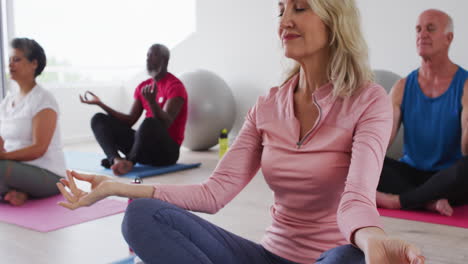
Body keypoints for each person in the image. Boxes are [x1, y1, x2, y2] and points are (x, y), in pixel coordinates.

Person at [57, 0, 425, 263]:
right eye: (280, 9)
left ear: (334, 19)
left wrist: (373, 238)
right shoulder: (267, 106)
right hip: (266, 254)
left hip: (331, 257)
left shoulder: (367, 100)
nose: (284, 20)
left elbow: (358, 198)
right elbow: (214, 193)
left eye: (300, 8)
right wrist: (118, 188)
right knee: (142, 216)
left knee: (350, 258)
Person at [376, 9, 468, 216]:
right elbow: (383, 141)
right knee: (363, 159)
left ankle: (399, 201)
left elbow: (465, 150)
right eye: (418, 29)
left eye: (430, 29)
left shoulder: (465, 85)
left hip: (448, 177)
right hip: (411, 174)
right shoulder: (402, 87)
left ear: (449, 38)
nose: (422, 34)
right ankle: (427, 201)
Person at [80, 43, 187, 175]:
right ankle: (116, 160)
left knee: (150, 122)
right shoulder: (143, 86)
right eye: (147, 55)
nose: (147, 59)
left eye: (153, 55)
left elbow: (166, 123)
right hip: (142, 151)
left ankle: (129, 162)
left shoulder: (175, 86)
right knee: (98, 119)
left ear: (164, 59)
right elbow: (129, 120)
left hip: (166, 154)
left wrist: (152, 103)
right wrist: (101, 104)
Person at [0, 38, 66, 206]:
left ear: (34, 64)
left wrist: (4, 156)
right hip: (15, 168)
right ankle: (16, 192)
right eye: (9, 60)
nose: (10, 65)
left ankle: (15, 190)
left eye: (16, 59)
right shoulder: (7, 101)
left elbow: (39, 149)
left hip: (48, 173)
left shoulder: (44, 100)